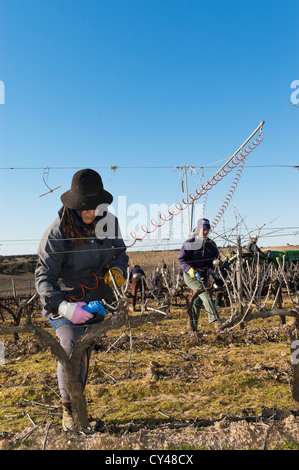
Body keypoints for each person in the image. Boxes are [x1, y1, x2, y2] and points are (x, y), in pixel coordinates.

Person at [35, 168, 128, 431]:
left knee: (85, 350)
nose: (91, 213)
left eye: (95, 207)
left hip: (97, 300)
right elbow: (44, 278)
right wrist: (64, 307)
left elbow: (120, 253)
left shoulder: (109, 223)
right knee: (71, 345)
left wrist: (118, 271)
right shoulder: (57, 233)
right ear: (74, 205)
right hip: (65, 302)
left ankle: (78, 410)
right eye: (85, 208)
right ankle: (69, 412)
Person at [178, 218, 221, 331]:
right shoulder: (190, 243)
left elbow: (216, 260)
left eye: (208, 229)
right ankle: (216, 321)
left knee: (197, 301)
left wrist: (218, 263)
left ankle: (191, 327)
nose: (206, 232)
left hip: (203, 275)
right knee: (205, 293)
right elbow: (181, 260)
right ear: (198, 229)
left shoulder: (211, 245)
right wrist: (190, 270)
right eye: (204, 229)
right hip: (190, 275)